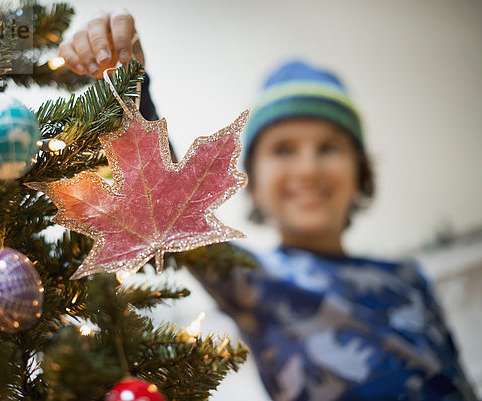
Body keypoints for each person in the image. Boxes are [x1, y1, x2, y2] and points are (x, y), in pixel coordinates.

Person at [60, 10, 477, 401]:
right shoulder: (256, 281)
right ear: (253, 185)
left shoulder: (411, 279)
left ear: (361, 173)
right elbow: (166, 210)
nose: (308, 169)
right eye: (283, 150)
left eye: (329, 147)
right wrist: (130, 81)